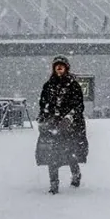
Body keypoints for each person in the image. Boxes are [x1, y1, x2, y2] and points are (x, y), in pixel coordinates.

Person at [35, 55, 89, 194]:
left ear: (66, 68)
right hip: (52, 125)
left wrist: (69, 118)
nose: (59, 68)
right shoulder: (48, 85)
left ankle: (76, 175)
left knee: (70, 153)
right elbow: (43, 104)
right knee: (51, 155)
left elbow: (78, 106)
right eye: (56, 65)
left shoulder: (73, 85)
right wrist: (44, 116)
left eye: (62, 65)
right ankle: (54, 185)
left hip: (70, 127)